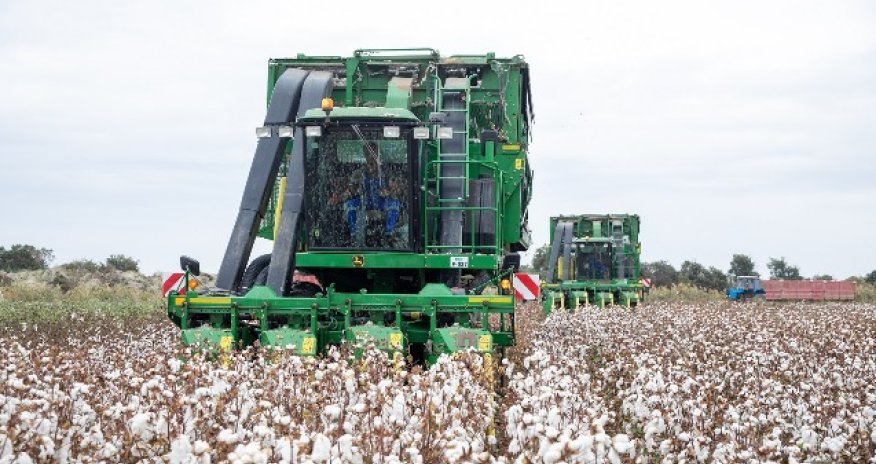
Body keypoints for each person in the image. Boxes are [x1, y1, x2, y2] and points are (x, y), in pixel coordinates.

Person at [343, 142, 403, 246]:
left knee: (394, 204)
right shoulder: (359, 172)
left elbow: (398, 190)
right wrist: (355, 189)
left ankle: (389, 234)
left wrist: (388, 192)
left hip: (382, 203)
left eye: (373, 153)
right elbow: (351, 190)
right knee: (351, 204)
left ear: (378, 153)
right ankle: (354, 235)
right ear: (364, 155)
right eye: (367, 154)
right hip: (365, 202)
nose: (370, 156)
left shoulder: (386, 172)